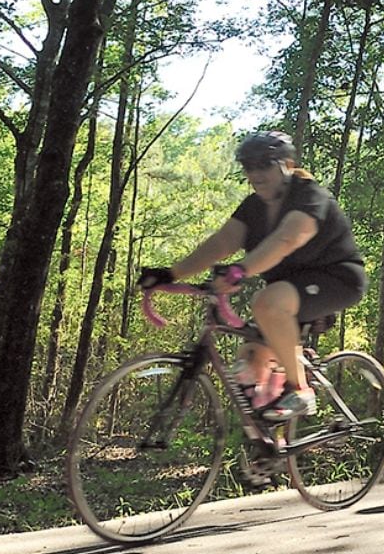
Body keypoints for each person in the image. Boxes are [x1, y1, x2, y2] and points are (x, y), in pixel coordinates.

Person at [138, 131, 366, 420]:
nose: (255, 173)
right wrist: (170, 273)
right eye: (248, 166)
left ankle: (301, 391)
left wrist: (239, 270)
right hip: (288, 290)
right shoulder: (253, 207)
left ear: (287, 164)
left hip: (338, 280)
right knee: (250, 360)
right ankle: (272, 437)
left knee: (266, 302)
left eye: (264, 164)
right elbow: (221, 243)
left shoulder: (310, 196)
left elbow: (286, 239)